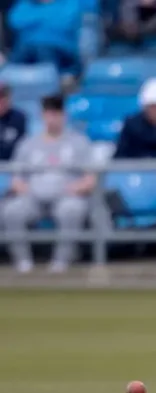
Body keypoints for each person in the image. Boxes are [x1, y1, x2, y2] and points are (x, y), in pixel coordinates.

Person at [2, 93, 94, 273]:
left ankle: (61, 261)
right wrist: (24, 189)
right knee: (11, 210)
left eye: (57, 114)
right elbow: (15, 178)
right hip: (33, 197)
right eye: (49, 114)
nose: (53, 119)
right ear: (43, 116)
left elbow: (91, 178)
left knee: (71, 209)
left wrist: (76, 188)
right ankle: (23, 261)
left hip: (67, 195)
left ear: (64, 115)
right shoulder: (28, 144)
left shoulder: (78, 142)